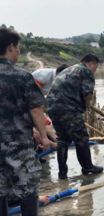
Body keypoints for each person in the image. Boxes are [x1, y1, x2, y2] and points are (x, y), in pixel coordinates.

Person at [0, 28, 54, 216]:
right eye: (18, 48)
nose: (19, 52)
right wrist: (44, 137)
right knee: (27, 190)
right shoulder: (22, 77)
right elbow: (35, 109)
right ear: (10, 47)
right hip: (18, 147)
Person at [47, 53, 104, 180]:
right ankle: (88, 167)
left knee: (63, 140)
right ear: (92, 63)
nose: (95, 69)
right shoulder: (86, 71)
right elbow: (87, 94)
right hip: (68, 109)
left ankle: (62, 173)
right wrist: (86, 106)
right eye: (96, 66)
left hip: (52, 108)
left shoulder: (68, 69)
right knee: (81, 138)